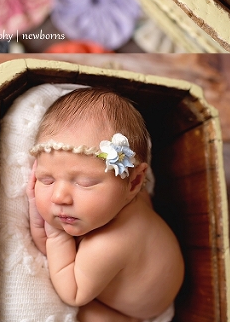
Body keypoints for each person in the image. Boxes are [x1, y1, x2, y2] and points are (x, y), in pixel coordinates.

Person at [27, 88, 184, 322]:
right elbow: (46, 246)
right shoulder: (130, 197)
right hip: (149, 273)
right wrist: (35, 205)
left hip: (138, 310)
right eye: (46, 179)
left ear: (134, 182)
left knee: (85, 313)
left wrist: (57, 237)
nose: (59, 196)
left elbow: (73, 293)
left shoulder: (107, 245)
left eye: (85, 183)